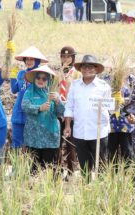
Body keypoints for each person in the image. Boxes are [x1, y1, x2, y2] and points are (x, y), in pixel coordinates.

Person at [64, 55, 111, 181]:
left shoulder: (104, 86)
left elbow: (111, 107)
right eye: (84, 67)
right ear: (81, 69)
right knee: (84, 166)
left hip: (99, 132)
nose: (87, 69)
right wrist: (68, 125)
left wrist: (116, 101)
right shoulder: (75, 85)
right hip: (80, 131)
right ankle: (87, 190)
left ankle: (102, 192)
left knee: (101, 165)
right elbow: (69, 106)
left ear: (96, 69)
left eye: (90, 67)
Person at [22, 65, 65, 174]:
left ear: (49, 81)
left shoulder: (53, 94)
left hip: (50, 137)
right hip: (33, 136)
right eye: (38, 78)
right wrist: (39, 108)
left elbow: (61, 112)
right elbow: (24, 107)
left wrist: (57, 102)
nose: (41, 80)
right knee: (33, 168)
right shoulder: (29, 92)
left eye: (44, 78)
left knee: (50, 168)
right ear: (34, 78)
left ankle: (51, 189)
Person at [9, 46, 48, 150]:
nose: (29, 61)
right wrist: (13, 77)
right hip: (19, 112)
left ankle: (31, 166)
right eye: (27, 59)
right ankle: (17, 165)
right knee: (16, 144)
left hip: (33, 113)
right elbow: (14, 90)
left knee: (32, 145)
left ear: (37, 60)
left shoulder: (41, 75)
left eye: (32, 59)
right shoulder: (21, 73)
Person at [58, 46, 80, 176]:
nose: (66, 59)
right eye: (63, 56)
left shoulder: (77, 73)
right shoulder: (57, 73)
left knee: (71, 143)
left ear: (73, 58)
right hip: (59, 112)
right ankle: (59, 171)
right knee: (58, 144)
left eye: (68, 56)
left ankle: (71, 172)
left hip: (72, 113)